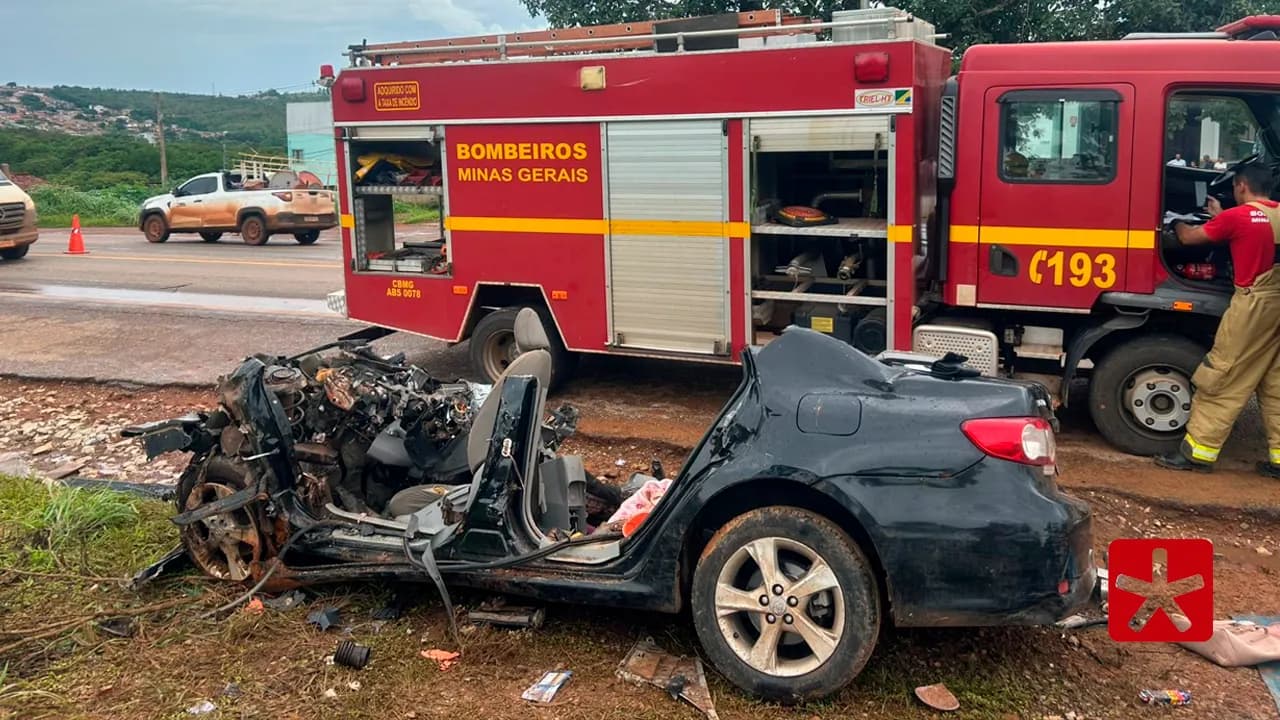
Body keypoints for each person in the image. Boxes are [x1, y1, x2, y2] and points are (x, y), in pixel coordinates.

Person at [1156, 164, 1280, 478]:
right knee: (1276, 383)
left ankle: (1198, 452)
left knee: (1223, 374)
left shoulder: (1237, 218)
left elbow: (1187, 239)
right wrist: (1220, 215)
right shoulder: (1273, 214)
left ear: (1240, 185)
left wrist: (1178, 221)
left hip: (1254, 306)